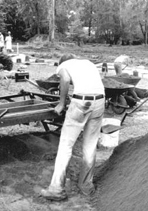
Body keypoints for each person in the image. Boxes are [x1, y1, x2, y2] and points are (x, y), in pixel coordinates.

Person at [41, 54, 105, 201]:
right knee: (90, 146)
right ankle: (86, 187)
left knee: (66, 145)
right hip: (100, 102)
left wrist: (61, 103)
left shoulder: (64, 65)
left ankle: (56, 189)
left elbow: (65, 79)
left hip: (81, 103)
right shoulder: (88, 62)